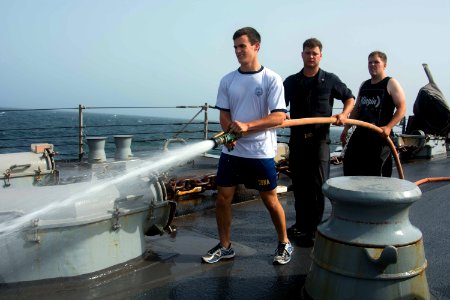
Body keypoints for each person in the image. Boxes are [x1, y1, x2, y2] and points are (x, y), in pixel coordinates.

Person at [201, 27, 293, 265]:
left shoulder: (271, 79)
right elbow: (224, 115)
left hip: (260, 152)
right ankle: (225, 246)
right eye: (235, 47)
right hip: (233, 151)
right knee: (223, 197)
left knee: (270, 200)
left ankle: (284, 243)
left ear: (256, 46)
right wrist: (230, 134)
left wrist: (247, 126)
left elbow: (279, 117)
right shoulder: (228, 80)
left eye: (242, 46)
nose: (238, 51)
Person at [283, 38, 355, 243]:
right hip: (297, 141)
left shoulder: (330, 80)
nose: (311, 56)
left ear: (320, 56)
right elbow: (278, 104)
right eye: (307, 53)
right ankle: (300, 224)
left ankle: (314, 228)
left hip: (320, 142)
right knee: (299, 184)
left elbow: (349, 98)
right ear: (302, 55)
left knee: (317, 186)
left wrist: (344, 115)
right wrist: (281, 114)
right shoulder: (291, 81)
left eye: (314, 53)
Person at [342, 51, 406, 177]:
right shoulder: (364, 85)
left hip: (380, 137)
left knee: (376, 173)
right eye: (370, 62)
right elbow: (357, 109)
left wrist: (388, 127)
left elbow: (402, 108)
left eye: (376, 62)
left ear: (384, 65)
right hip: (360, 135)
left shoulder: (391, 83)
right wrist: (346, 128)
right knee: (350, 167)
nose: (372, 65)